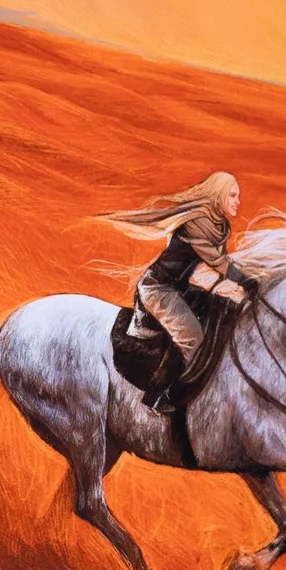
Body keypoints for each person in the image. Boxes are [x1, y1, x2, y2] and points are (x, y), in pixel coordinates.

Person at [100, 172, 252, 411]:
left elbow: (213, 267)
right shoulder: (198, 222)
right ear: (218, 196)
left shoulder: (219, 225)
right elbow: (220, 263)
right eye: (232, 195)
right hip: (160, 288)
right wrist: (249, 283)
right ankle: (165, 397)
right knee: (194, 339)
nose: (238, 202)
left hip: (183, 287)